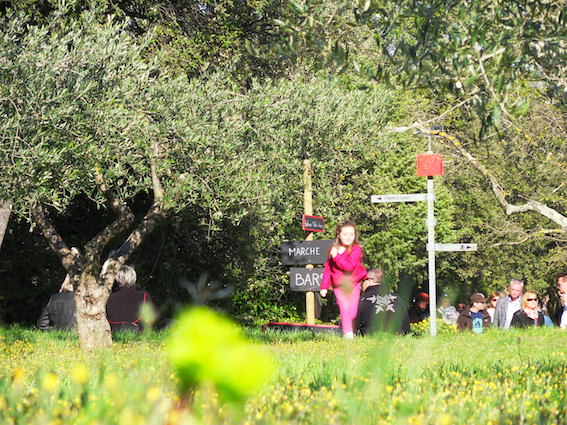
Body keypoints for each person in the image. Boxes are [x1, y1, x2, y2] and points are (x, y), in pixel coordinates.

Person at [320, 221, 367, 339]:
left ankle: (346, 326)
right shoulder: (333, 249)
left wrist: (338, 256)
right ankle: (348, 335)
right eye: (345, 234)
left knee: (353, 312)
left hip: (354, 284)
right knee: (344, 307)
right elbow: (327, 269)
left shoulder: (356, 249)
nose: (349, 237)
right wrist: (324, 286)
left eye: (351, 234)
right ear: (339, 235)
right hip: (339, 286)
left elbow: (349, 267)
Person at [356, 268, 410, 335]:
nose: (361, 284)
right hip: (396, 340)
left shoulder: (362, 300)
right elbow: (406, 326)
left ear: (369, 280)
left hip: (371, 341)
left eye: (362, 281)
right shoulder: (397, 298)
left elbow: (353, 326)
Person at [106, 265, 153, 333]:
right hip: (137, 332)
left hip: (114, 331)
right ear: (134, 277)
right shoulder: (143, 296)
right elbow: (149, 320)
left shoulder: (109, 297)